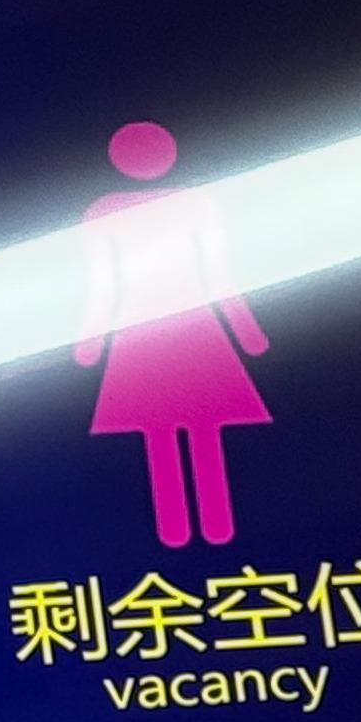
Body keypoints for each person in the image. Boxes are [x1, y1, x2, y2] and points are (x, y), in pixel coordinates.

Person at [73, 121, 265, 547]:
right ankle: (201, 527)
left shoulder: (120, 208)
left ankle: (195, 529)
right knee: (187, 426)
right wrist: (248, 333)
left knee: (173, 427)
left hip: (155, 331)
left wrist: (91, 342)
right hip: (176, 328)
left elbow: (106, 287)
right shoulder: (187, 203)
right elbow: (218, 277)